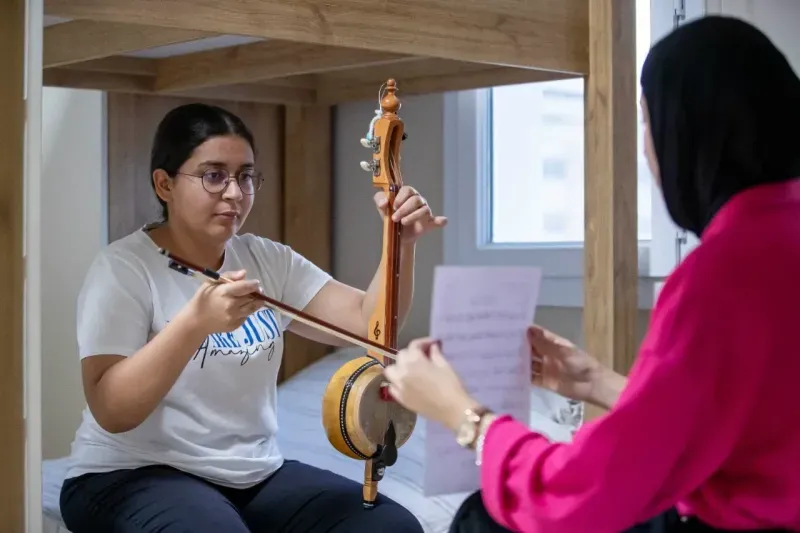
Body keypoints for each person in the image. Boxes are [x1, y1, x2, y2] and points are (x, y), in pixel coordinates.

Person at [384, 15, 800, 533]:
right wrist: (598, 382)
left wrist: (465, 416)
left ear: (684, 133)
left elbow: (580, 497)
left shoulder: (723, 274)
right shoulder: (780, 236)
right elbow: (742, 424)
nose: (647, 151)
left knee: (482, 519)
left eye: (647, 123)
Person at [58, 102, 446, 533]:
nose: (234, 193)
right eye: (213, 175)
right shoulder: (123, 268)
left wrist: (402, 245)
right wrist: (194, 323)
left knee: (392, 527)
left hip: (252, 475)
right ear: (164, 184)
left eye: (245, 176)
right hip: (129, 474)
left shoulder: (266, 258)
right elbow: (112, 411)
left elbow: (370, 324)